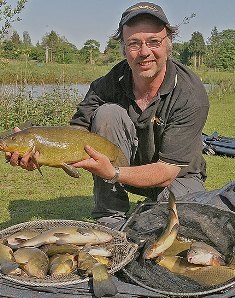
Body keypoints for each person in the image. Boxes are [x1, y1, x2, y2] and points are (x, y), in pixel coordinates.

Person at [7, 2, 209, 230]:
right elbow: (75, 134)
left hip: (178, 178)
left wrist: (113, 172)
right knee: (107, 113)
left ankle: (155, 207)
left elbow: (166, 172)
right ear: (123, 48)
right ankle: (110, 216)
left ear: (168, 44)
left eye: (154, 42)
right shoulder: (108, 83)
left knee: (167, 222)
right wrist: (38, 149)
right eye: (134, 43)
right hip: (121, 169)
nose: (144, 52)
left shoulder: (189, 92)